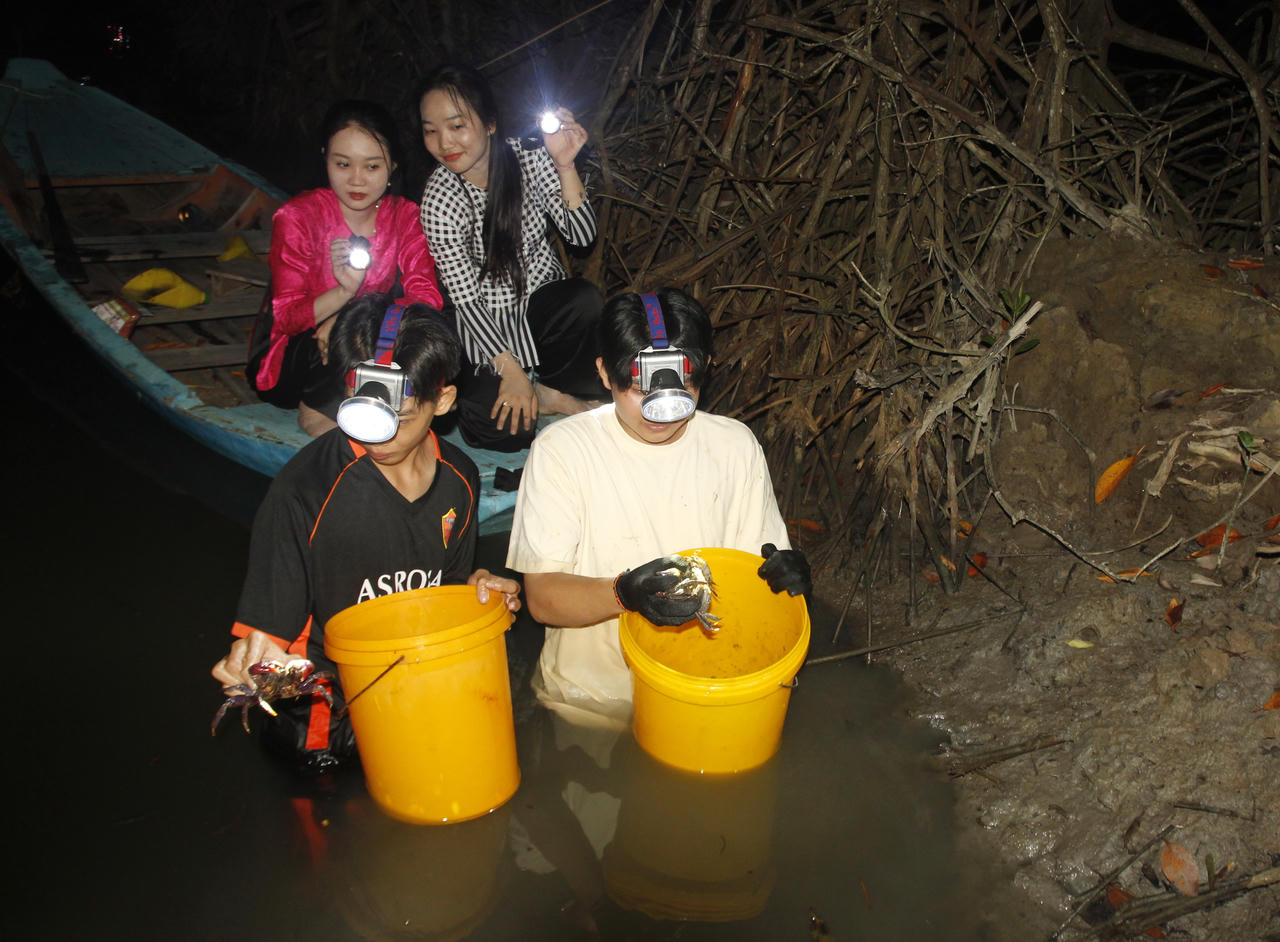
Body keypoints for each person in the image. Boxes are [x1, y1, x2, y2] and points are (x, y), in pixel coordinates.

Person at [215, 294, 520, 771]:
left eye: (397, 419)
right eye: (363, 412)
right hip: (322, 721)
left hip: (415, 692)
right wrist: (246, 661)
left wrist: (476, 591)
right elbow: (266, 637)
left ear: (443, 400)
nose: (378, 436)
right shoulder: (304, 491)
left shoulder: (460, 477)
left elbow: (447, 591)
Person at [505, 287, 811, 721]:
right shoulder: (561, 450)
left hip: (697, 690)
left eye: (681, 385)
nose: (661, 410)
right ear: (605, 374)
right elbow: (542, 599)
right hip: (588, 701)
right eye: (638, 387)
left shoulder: (734, 446)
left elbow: (754, 578)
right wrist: (622, 593)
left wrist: (786, 575)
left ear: (703, 373)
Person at [418, 64, 604, 452]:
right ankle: (533, 392)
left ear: (489, 124)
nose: (444, 142)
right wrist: (510, 370)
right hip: (483, 325)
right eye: (430, 130)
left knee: (584, 299)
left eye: (456, 126)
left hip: (540, 308)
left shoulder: (529, 158)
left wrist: (566, 165)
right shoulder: (439, 199)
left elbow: (582, 237)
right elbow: (465, 301)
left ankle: (551, 390)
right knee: (505, 433)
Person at [250, 100, 444, 436]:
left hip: (368, 345)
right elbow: (286, 318)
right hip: (295, 357)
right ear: (325, 157)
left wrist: (352, 319)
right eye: (343, 164)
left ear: (393, 166)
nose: (356, 180)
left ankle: (390, 403)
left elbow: (427, 296)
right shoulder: (298, 217)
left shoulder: (405, 215)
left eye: (372, 167)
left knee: (427, 325)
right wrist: (343, 294)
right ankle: (318, 414)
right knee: (352, 333)